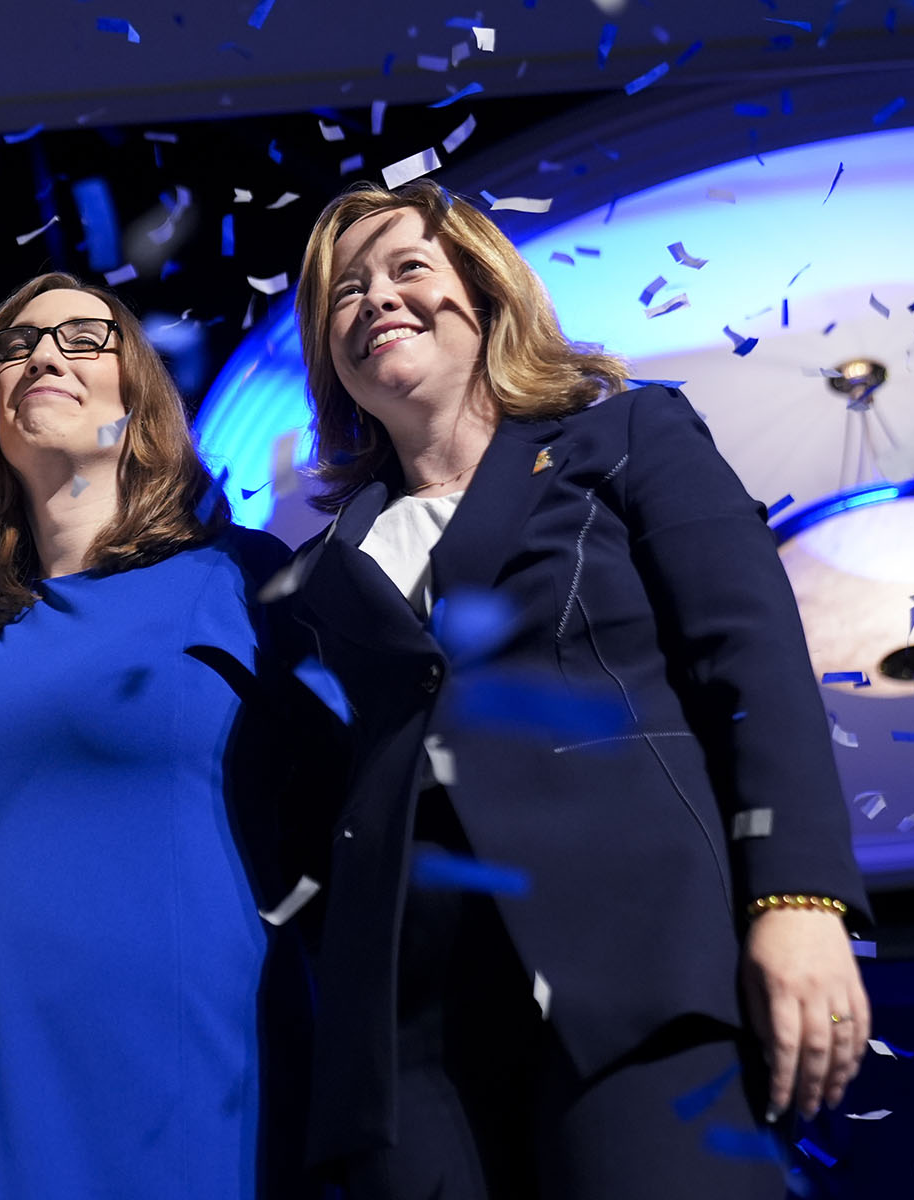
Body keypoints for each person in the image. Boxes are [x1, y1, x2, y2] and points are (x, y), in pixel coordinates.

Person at [278, 180, 872, 1199]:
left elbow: (751, 659)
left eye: (409, 268)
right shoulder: (323, 569)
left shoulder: (628, 439)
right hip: (409, 1047)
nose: (375, 299)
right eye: (345, 292)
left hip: (636, 976)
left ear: (488, 290)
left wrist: (797, 895)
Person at [0, 273, 323, 1199]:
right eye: (13, 349)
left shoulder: (244, 577)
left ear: (137, 391)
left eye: (81, 339)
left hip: (195, 1053)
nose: (44, 357)